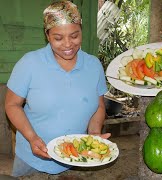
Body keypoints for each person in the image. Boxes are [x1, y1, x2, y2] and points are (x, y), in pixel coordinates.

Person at [5, 1, 110, 177]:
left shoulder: (93, 65)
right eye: (58, 38)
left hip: (76, 158)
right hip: (33, 159)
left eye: (75, 36)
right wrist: (32, 137)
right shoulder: (29, 63)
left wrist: (93, 134)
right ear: (47, 35)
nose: (68, 44)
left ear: (81, 31)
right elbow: (11, 105)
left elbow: (98, 105)